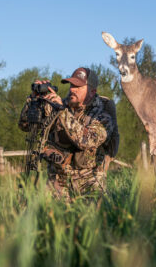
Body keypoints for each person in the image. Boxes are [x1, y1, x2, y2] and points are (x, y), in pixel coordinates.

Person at [18, 67, 118, 200]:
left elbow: (86, 141)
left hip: (89, 181)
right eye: (71, 85)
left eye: (78, 86)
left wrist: (62, 112)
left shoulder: (103, 114)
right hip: (57, 181)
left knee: (92, 217)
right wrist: (33, 101)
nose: (72, 89)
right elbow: (25, 126)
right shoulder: (58, 105)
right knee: (46, 216)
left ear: (92, 91)